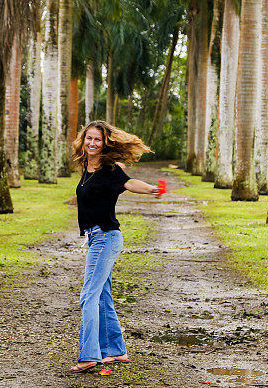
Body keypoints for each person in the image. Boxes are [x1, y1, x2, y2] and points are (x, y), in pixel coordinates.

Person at [69, 120, 162, 373]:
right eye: (89, 138)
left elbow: (129, 183)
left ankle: (89, 355)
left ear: (105, 143)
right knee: (102, 297)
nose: (92, 143)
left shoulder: (111, 170)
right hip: (95, 238)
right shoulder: (87, 168)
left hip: (106, 237)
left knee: (88, 296)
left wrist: (151, 189)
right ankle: (116, 351)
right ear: (83, 140)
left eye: (97, 139)